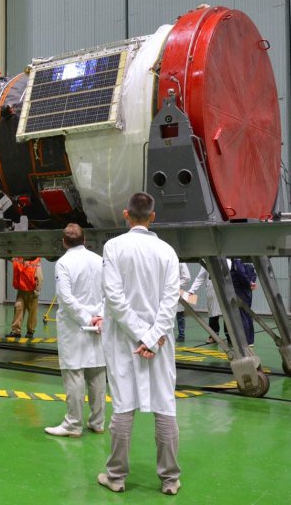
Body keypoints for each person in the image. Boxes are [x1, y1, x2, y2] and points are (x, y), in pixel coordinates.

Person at [97, 192, 182, 495]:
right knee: (165, 405)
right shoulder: (168, 252)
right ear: (152, 217)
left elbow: (114, 298)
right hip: (159, 342)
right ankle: (170, 479)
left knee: (123, 405)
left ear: (126, 214)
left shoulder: (114, 247)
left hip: (125, 341)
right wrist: (152, 338)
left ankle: (116, 476)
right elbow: (170, 302)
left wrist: (139, 335)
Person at [44, 223, 106, 438]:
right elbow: (109, 293)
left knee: (74, 374)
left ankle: (73, 424)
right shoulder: (99, 260)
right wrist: (100, 317)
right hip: (98, 327)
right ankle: (98, 422)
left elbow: (65, 297)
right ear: (84, 240)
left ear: (64, 242)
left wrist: (87, 319)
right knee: (97, 373)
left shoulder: (63, 263)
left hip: (75, 327)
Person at [188, 259, 228, 344]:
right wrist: (192, 290)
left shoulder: (227, 260)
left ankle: (230, 337)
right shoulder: (207, 261)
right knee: (213, 314)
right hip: (212, 290)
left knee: (227, 314)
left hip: (226, 290)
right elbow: (200, 277)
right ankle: (213, 336)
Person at [7, 257, 43, 338]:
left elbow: (40, 276)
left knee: (32, 312)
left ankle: (30, 331)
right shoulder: (18, 259)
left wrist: (37, 289)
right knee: (18, 308)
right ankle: (16, 331)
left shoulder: (35, 261)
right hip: (21, 290)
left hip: (32, 291)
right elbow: (9, 257)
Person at [230, 258, 258, 346]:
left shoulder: (237, 260)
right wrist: (252, 282)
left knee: (242, 315)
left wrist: (249, 283)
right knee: (247, 314)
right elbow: (254, 274)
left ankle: (244, 341)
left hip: (240, 291)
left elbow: (241, 273)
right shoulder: (248, 262)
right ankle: (250, 340)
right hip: (247, 291)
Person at [175, 263, 191, 342]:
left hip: (178, 290)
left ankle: (181, 335)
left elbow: (187, 277)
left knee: (180, 315)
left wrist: (174, 285)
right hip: (166, 291)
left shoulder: (181, 262)